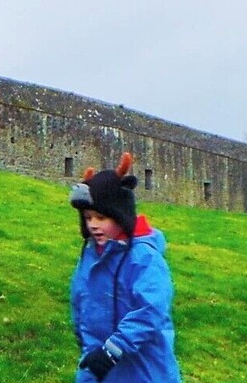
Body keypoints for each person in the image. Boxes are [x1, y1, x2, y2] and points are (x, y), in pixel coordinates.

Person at [68, 152, 180, 382]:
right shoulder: (90, 254)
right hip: (96, 366)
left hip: (142, 369)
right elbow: (80, 295)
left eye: (101, 217)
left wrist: (114, 348)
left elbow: (152, 309)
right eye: (88, 218)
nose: (93, 225)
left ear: (119, 216)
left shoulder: (143, 257)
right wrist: (83, 335)